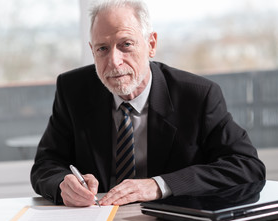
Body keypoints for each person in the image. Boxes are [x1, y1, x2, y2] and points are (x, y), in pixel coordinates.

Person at [30, 0, 265, 207]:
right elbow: (46, 164)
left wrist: (158, 185)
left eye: (126, 44)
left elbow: (247, 167)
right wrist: (64, 184)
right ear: (92, 52)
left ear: (151, 44)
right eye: (102, 49)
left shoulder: (198, 96)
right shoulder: (73, 90)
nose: (114, 61)